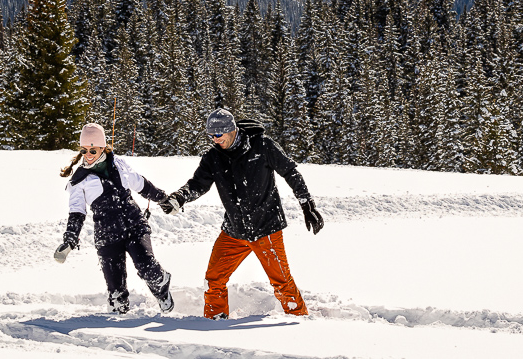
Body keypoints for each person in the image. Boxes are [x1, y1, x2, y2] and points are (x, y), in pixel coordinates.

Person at [159, 108, 324, 319]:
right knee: (214, 279)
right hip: (234, 230)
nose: (215, 140)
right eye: (211, 135)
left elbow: (290, 172)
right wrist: (179, 198)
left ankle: (299, 319)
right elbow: (198, 184)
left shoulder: (262, 146)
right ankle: (214, 322)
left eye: (219, 135)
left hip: (266, 228)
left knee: (282, 281)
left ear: (232, 130)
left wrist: (307, 204)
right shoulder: (213, 157)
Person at [53, 122, 175, 314]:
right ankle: (118, 327)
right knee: (116, 292)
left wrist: (164, 199)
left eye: (92, 150)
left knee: (147, 268)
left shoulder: (117, 163)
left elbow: (140, 184)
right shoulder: (78, 180)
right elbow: (76, 212)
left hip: (134, 225)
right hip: (107, 236)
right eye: (84, 150)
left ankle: (161, 287)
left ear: (103, 147)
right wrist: (70, 238)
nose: (88, 155)